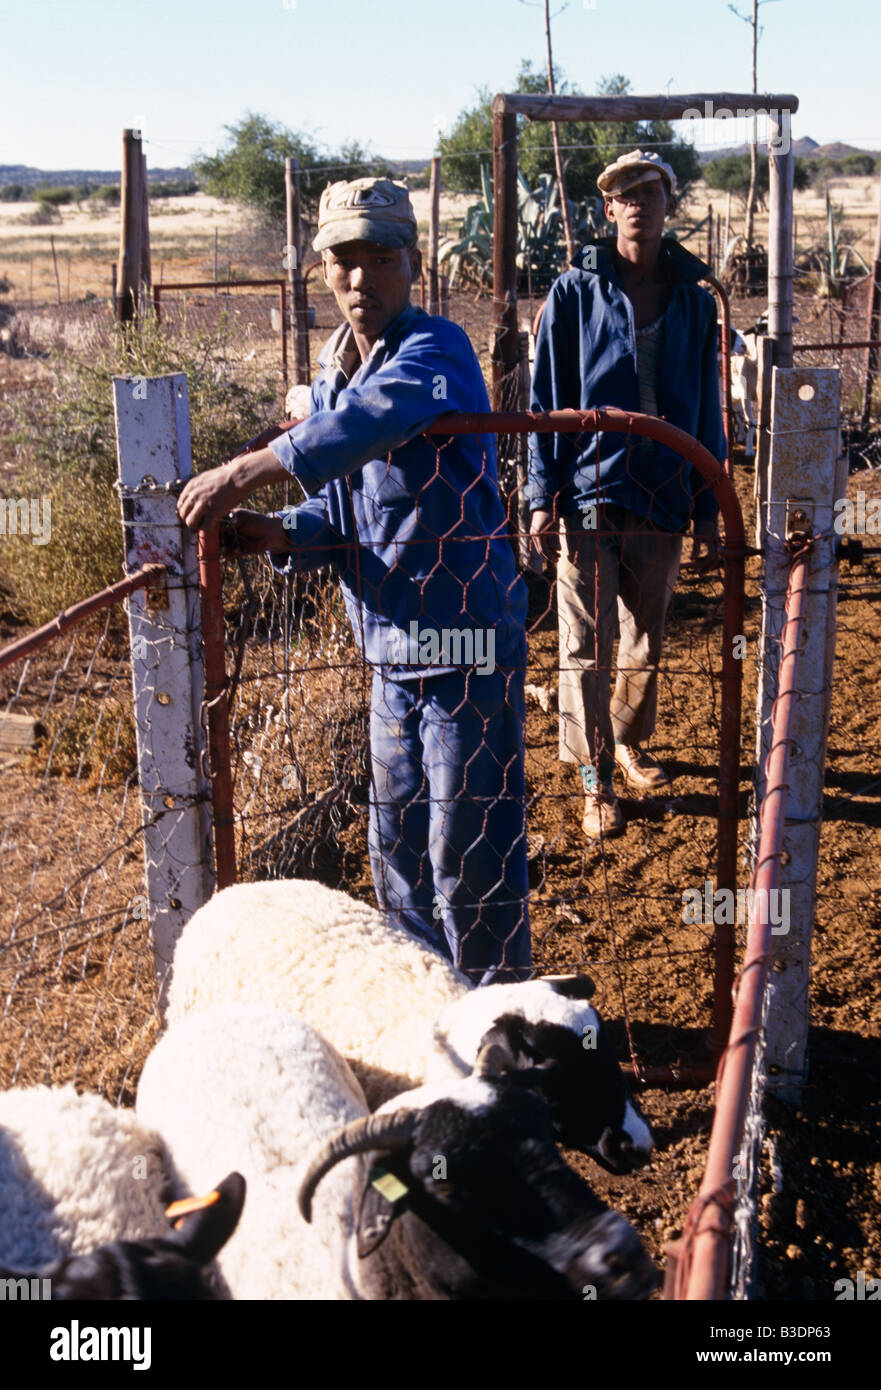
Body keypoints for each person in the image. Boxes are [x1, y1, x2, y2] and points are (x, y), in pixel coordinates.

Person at [178, 177, 530, 985]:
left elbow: (370, 424)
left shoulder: (433, 351)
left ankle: (497, 1014)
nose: (360, 278)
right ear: (322, 270)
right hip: (389, 652)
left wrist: (248, 470)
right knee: (396, 850)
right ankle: (422, 1010)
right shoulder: (337, 373)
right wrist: (279, 532)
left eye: (379, 256)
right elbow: (343, 510)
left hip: (462, 644)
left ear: (411, 262)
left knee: (466, 852)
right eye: (343, 259)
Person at [526, 150, 726, 840]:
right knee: (584, 640)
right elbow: (543, 399)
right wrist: (538, 494)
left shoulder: (695, 304)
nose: (636, 201)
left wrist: (707, 503)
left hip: (665, 488)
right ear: (606, 209)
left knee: (646, 633)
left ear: (668, 205)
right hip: (589, 488)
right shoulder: (573, 293)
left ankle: (627, 740)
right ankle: (593, 780)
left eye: (649, 190)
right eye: (622, 193)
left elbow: (707, 409)